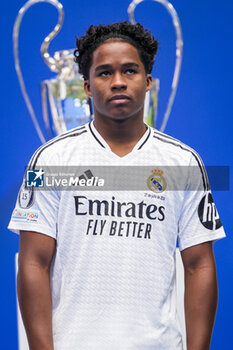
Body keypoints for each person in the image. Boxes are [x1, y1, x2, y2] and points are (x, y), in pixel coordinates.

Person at [8, 22, 225, 350]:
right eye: (105, 73)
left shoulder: (183, 163)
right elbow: (33, 262)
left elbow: (199, 264)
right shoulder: (49, 160)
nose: (119, 82)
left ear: (149, 81)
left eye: (130, 71)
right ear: (87, 86)